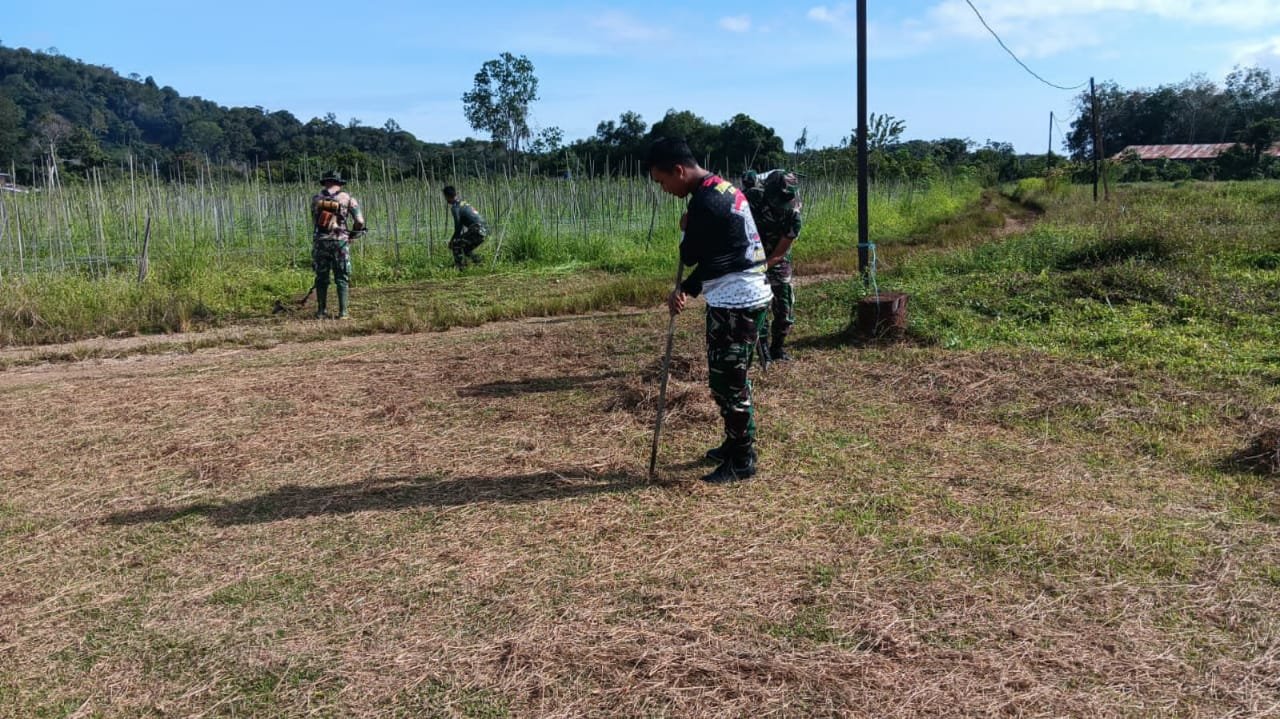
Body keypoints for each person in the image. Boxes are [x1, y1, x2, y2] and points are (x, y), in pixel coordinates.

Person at [648, 137, 772, 484]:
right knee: (729, 379)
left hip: (738, 303)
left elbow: (690, 255)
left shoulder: (706, 202)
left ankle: (742, 458)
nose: (665, 189)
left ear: (679, 170)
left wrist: (687, 229)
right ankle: (735, 442)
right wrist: (687, 288)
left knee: (728, 383)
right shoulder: (721, 188)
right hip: (740, 294)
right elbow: (721, 257)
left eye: (663, 181)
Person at [744, 169, 802, 361]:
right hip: (751, 255)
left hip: (777, 259)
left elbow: (779, 253)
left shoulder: (793, 215)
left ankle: (777, 348)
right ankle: (762, 350)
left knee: (784, 306)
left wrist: (762, 268)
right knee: (758, 305)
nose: (780, 207)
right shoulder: (753, 198)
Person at [310, 170, 365, 319]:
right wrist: (352, 235)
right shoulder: (348, 199)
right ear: (339, 183)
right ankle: (343, 312)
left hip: (321, 241)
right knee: (342, 276)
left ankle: (321, 311)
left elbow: (315, 221)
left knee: (321, 276)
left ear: (325, 182)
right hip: (340, 241)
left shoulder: (316, 199)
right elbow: (360, 221)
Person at [443, 185, 488, 270]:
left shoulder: (456, 207)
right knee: (465, 249)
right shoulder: (463, 203)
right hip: (484, 230)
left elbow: (458, 227)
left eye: (445, 197)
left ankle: (459, 268)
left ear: (447, 196)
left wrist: (452, 240)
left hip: (478, 229)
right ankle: (480, 263)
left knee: (456, 244)